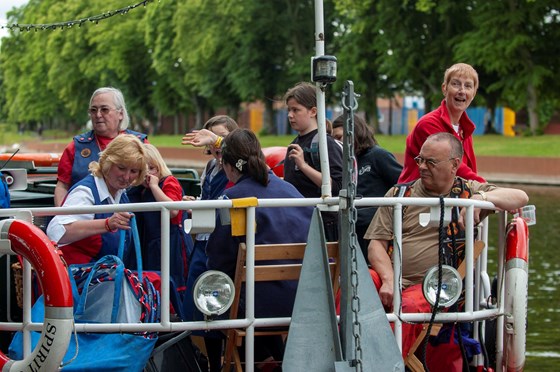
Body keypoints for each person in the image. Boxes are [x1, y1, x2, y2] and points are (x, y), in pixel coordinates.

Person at [365, 132, 528, 363]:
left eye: (430, 162)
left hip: (434, 288)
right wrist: (389, 279)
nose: (421, 167)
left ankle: (384, 366)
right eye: (419, 159)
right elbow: (376, 245)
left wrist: (479, 201)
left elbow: (520, 196)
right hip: (391, 278)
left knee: (407, 305)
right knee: (354, 287)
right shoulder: (399, 194)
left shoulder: (468, 193)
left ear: (454, 165)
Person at [183, 128, 313, 369]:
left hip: (255, 307)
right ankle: (271, 360)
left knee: (216, 293)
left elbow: (218, 261)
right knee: (259, 290)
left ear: (229, 167)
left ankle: (244, 363)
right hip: (303, 301)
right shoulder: (294, 193)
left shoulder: (233, 199)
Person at [180, 115, 238, 371]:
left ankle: (219, 362)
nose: (214, 145)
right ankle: (208, 360)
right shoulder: (212, 168)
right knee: (195, 302)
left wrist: (216, 140)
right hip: (204, 239)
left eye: (221, 138)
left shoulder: (236, 165)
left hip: (222, 241)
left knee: (215, 300)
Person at [47, 134, 147, 266]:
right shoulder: (85, 192)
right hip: (79, 279)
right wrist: (106, 224)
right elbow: (56, 231)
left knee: (161, 281)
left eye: (134, 171)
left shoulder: (121, 193)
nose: (127, 177)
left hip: (106, 277)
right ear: (108, 163)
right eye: (121, 168)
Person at [54, 87, 148, 207]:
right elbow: (62, 186)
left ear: (120, 114)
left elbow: (159, 178)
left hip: (132, 218)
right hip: (87, 219)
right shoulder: (77, 147)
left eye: (104, 109)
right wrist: (63, 216)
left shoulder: (141, 144)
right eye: (93, 110)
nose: (98, 115)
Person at [398, 63, 485, 184]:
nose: (462, 91)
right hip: (418, 198)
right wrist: (486, 187)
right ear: (444, 88)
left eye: (468, 86)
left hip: (448, 195)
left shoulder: (465, 129)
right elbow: (453, 168)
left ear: (474, 94)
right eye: (456, 84)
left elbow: (471, 172)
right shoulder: (428, 124)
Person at [127, 144, 192, 304]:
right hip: (147, 243)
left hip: (170, 243)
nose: (148, 174)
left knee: (173, 280)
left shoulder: (169, 182)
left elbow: (172, 210)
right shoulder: (137, 190)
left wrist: (155, 187)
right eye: (143, 170)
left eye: (152, 168)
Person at [332, 114, 402, 258]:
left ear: (355, 133)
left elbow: (402, 185)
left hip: (374, 230)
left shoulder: (377, 156)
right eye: (333, 140)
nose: (336, 143)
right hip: (350, 228)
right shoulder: (342, 163)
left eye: (339, 138)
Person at [283, 82, 343, 241]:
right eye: (289, 110)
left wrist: (303, 166)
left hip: (322, 224)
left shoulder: (325, 143)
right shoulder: (295, 142)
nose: (290, 115)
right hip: (298, 221)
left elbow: (338, 186)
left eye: (296, 110)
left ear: (313, 111)